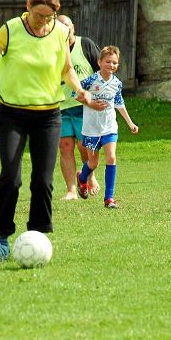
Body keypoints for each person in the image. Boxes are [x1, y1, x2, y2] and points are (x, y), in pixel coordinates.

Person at [0, 0, 95, 264]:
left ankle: (38, 237)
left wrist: (79, 90)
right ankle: (1, 241)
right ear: (28, 8)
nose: (44, 21)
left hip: (48, 116)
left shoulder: (61, 32)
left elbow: (66, 69)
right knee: (11, 178)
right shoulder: (10, 29)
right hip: (11, 114)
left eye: (49, 17)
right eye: (39, 15)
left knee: (42, 181)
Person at [75, 45, 139, 208]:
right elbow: (75, 94)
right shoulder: (91, 80)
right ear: (99, 62)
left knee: (111, 157)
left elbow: (119, 103)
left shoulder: (116, 83)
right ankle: (82, 178)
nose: (111, 65)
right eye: (108, 61)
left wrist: (130, 123)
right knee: (93, 163)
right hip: (91, 128)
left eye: (115, 63)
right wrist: (90, 102)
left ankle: (108, 198)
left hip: (110, 127)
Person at [55, 14, 101, 200]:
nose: (64, 30)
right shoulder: (53, 50)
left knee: (84, 147)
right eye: (59, 27)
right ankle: (71, 190)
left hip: (84, 107)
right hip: (60, 107)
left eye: (66, 26)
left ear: (73, 26)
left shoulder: (86, 45)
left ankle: (90, 177)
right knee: (65, 147)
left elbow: (101, 72)